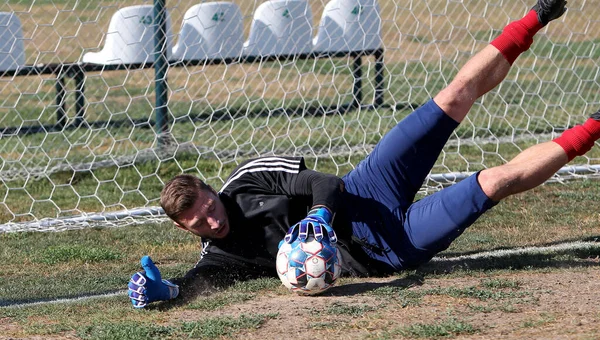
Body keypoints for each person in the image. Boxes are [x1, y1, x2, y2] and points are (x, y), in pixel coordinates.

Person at [128, 0, 598, 308]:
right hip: (388, 250)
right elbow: (197, 285)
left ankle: (539, 13)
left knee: (453, 97)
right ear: (183, 228)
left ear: (213, 190)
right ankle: (596, 125)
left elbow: (324, 184)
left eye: (210, 207)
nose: (212, 220)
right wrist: (165, 292)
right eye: (199, 223)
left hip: (367, 187)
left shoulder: (246, 181)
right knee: (495, 182)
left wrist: (317, 216)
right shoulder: (220, 255)